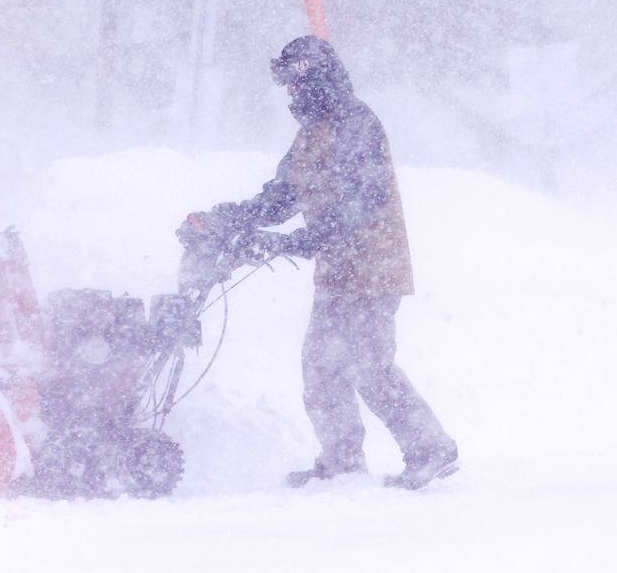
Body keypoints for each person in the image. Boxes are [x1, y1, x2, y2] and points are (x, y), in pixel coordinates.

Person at [189, 34, 458, 490]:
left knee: (370, 367)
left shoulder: (357, 123)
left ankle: (431, 449)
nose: (289, 95)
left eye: (293, 84)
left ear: (313, 78)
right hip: (337, 270)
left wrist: (305, 239)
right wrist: (226, 219)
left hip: (373, 266)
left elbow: (364, 199)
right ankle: (342, 461)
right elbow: (281, 196)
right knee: (320, 367)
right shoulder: (311, 133)